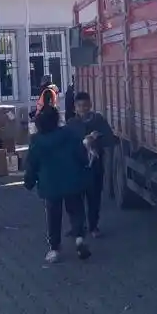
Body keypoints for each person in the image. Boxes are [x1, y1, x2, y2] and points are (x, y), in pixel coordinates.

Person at [24, 105, 91, 263]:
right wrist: (84, 165)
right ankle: (79, 238)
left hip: (50, 184)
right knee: (76, 211)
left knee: (53, 216)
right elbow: (81, 154)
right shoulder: (69, 134)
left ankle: (54, 249)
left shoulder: (37, 141)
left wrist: (29, 181)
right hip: (72, 180)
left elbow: (32, 164)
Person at [67, 91, 116, 238]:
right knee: (76, 200)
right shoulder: (71, 124)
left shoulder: (98, 120)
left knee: (94, 198)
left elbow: (110, 139)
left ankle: (93, 226)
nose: (83, 109)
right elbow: (67, 144)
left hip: (95, 166)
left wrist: (97, 140)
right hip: (77, 168)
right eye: (80, 106)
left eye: (85, 106)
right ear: (75, 107)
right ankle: (78, 226)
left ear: (90, 105)